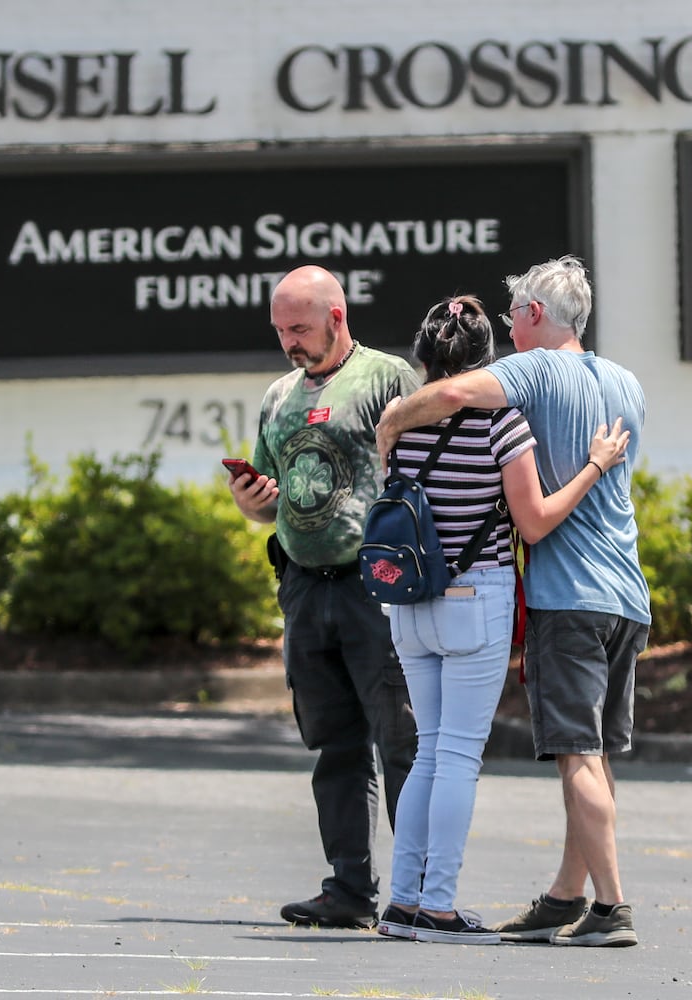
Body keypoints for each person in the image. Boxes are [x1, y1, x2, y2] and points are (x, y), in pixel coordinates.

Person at [374, 256, 648, 948]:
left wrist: (391, 420)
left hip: (552, 595)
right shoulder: (626, 384)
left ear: (531, 316)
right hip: (622, 592)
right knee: (591, 754)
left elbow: (451, 397)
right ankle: (565, 896)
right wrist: (592, 464)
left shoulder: (525, 381)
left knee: (498, 751)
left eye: (514, 316)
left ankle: (599, 907)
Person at [229, 264, 418, 928]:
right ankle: (349, 888)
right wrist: (252, 502)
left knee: (401, 741)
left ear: (337, 317)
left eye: (300, 328)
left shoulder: (388, 378)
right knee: (334, 744)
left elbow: (426, 471)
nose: (290, 342)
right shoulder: (278, 395)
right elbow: (268, 496)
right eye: (281, 330)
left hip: (376, 587)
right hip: (306, 588)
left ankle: (420, 892)